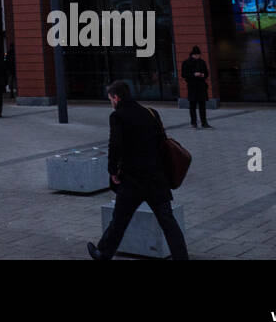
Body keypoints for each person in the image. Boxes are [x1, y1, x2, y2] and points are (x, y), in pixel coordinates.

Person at [87, 80, 188, 261]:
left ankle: (103, 253)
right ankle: (182, 257)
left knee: (120, 219)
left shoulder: (118, 116)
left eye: (110, 98)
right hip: (156, 176)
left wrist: (112, 170)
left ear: (116, 97)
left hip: (132, 179)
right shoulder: (151, 113)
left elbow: (115, 146)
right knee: (168, 221)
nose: (111, 102)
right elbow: (161, 142)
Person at [181, 45, 211, 129]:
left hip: (201, 86)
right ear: (192, 55)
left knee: (202, 105)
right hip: (192, 86)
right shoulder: (186, 62)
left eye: (199, 55)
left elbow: (207, 73)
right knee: (192, 105)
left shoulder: (202, 62)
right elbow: (183, 74)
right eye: (196, 55)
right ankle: (193, 123)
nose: (198, 56)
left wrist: (203, 75)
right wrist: (194, 74)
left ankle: (204, 123)